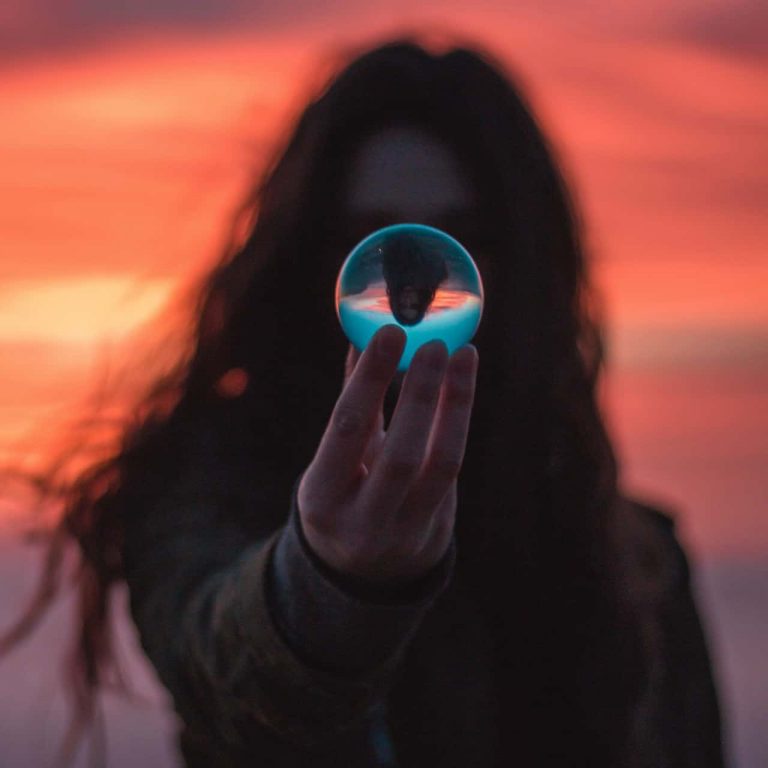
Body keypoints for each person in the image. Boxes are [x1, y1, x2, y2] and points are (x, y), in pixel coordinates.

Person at [2, 38, 726, 767]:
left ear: (524, 259)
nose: (413, 292)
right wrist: (326, 581)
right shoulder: (210, 484)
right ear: (311, 252)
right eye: (371, 240)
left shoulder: (638, 564)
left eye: (461, 238)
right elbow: (219, 659)